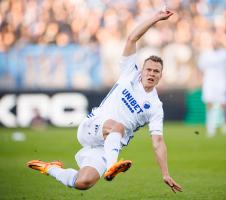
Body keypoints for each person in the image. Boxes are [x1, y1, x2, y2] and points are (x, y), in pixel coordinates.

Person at [26, 10, 182, 193]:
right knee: (118, 127)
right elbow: (132, 38)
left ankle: (51, 168)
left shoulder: (155, 107)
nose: (151, 74)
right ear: (142, 70)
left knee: (83, 182)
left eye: (156, 72)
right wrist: (156, 18)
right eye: (148, 69)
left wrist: (165, 173)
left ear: (160, 76)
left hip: (107, 146)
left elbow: (158, 142)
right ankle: (112, 166)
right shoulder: (129, 73)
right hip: (93, 125)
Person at [198, 32, 226, 137]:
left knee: (223, 104)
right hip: (209, 82)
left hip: (221, 82)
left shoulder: (225, 54)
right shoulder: (205, 55)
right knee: (209, 104)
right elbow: (201, 69)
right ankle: (210, 127)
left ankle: (224, 123)